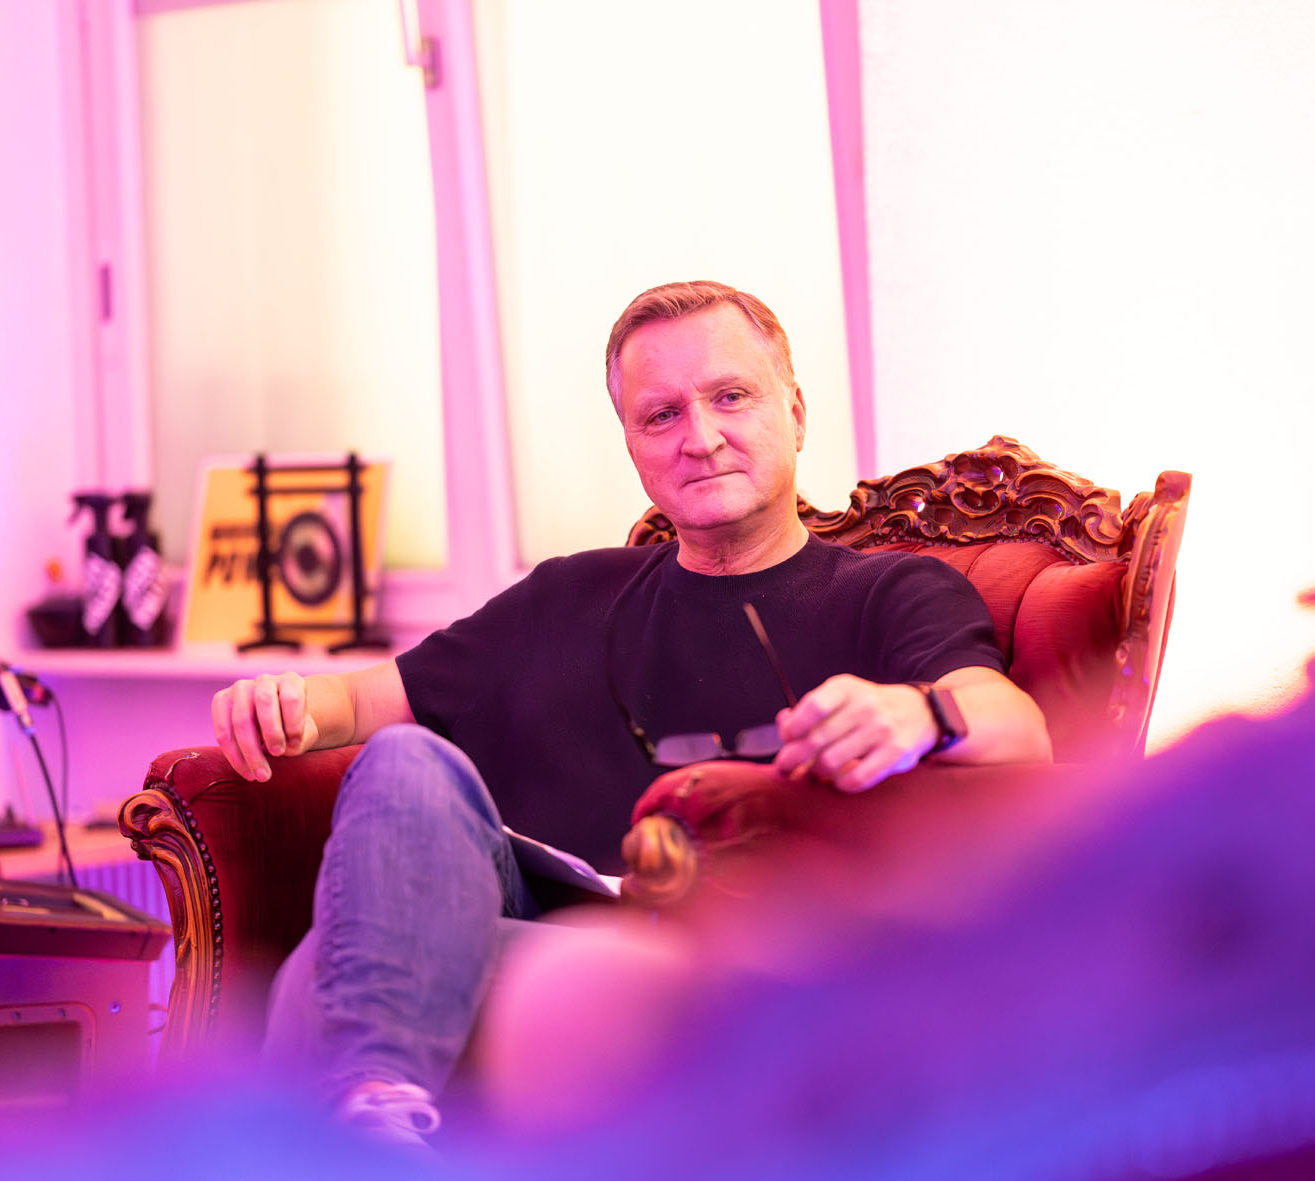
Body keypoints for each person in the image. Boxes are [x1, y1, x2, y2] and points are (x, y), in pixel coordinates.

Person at [210, 281, 1052, 1144]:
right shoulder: (565, 595)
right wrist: (289, 702)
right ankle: (375, 1122)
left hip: (724, 968)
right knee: (402, 763)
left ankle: (362, 1120)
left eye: (731, 396)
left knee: (324, 972)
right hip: (531, 927)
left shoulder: (891, 592)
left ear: (795, 413)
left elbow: (1013, 726)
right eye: (661, 415)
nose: (701, 436)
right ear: (633, 446)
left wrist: (919, 713)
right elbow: (361, 701)